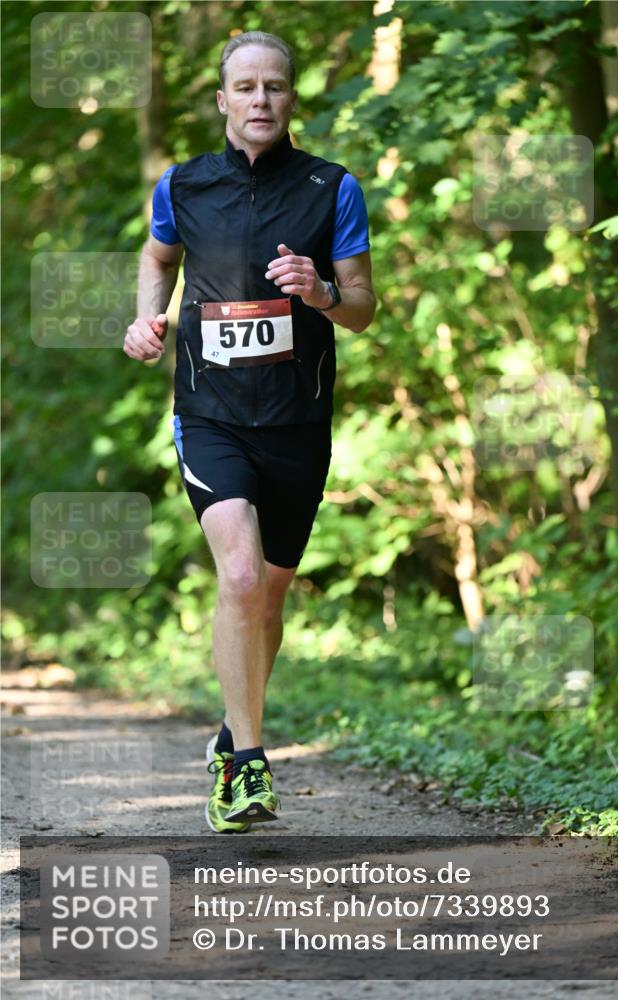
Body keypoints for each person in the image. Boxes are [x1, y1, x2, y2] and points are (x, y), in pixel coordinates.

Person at [124, 31, 375, 833]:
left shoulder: (331, 187)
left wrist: (324, 294)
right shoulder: (183, 185)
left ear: (290, 98)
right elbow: (157, 256)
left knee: (267, 597)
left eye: (275, 86)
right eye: (246, 86)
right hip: (210, 414)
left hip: (298, 420)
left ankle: (235, 726)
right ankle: (245, 770)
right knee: (237, 579)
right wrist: (146, 316)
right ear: (223, 100)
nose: (260, 99)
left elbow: (365, 306)